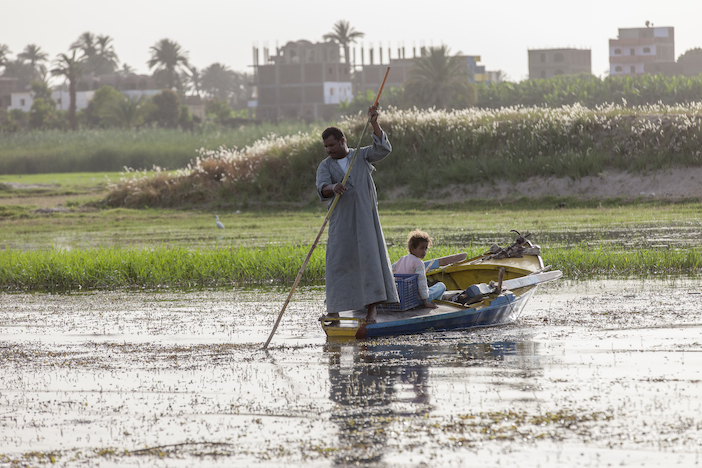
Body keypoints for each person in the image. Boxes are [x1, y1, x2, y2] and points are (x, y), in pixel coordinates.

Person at [316, 106, 399, 324]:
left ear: (342, 140)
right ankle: (334, 311)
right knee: (337, 263)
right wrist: (333, 187)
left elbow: (383, 149)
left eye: (332, 145)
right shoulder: (325, 166)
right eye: (326, 146)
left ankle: (371, 312)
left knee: (370, 262)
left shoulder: (361, 156)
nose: (329, 150)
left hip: (365, 221)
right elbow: (322, 188)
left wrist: (373, 122)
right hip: (340, 223)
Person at [392, 230, 447, 309]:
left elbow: (390, 269)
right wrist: (426, 303)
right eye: (421, 248)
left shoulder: (402, 259)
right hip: (415, 300)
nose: (424, 252)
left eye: (425, 249)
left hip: (401, 298)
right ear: (412, 249)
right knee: (442, 286)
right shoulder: (418, 263)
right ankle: (433, 302)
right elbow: (422, 284)